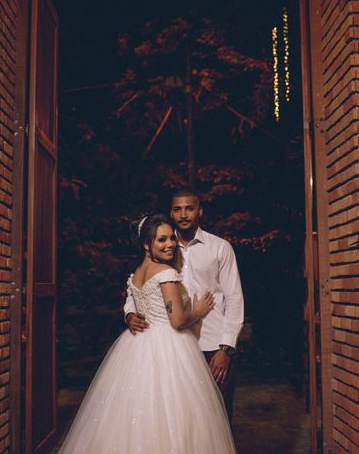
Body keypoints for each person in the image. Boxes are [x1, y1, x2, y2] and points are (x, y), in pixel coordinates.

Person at [59, 214, 236, 453]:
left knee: (132, 409)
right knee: (174, 411)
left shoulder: (138, 272)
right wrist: (199, 310)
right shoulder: (165, 274)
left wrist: (131, 315)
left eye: (171, 238)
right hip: (168, 345)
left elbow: (136, 300)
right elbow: (178, 320)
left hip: (138, 344)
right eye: (161, 240)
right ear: (146, 244)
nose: (170, 244)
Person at [126, 190, 244, 424]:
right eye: (177, 209)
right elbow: (139, 285)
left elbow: (234, 299)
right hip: (174, 347)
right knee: (180, 421)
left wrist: (226, 348)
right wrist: (129, 312)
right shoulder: (163, 246)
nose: (183, 214)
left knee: (217, 421)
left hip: (212, 345)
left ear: (199, 211)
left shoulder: (220, 248)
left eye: (189, 208)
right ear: (171, 213)